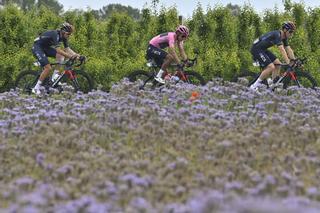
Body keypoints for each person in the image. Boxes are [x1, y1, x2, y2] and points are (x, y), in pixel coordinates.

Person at [31, 22, 81, 95]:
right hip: (37, 47)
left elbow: (67, 49)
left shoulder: (63, 37)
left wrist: (78, 56)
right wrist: (70, 56)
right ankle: (36, 88)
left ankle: (54, 78)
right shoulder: (55, 34)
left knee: (61, 56)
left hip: (45, 48)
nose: (69, 36)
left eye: (70, 34)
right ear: (63, 32)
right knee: (48, 68)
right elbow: (58, 50)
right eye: (68, 34)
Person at [250, 21, 296, 90]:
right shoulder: (277, 34)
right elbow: (282, 50)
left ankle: (272, 85)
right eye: (290, 32)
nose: (291, 34)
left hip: (263, 49)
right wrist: (288, 62)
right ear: (285, 30)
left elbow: (288, 49)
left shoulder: (284, 37)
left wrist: (294, 60)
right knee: (271, 67)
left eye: (292, 32)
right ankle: (253, 86)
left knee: (278, 64)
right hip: (256, 49)